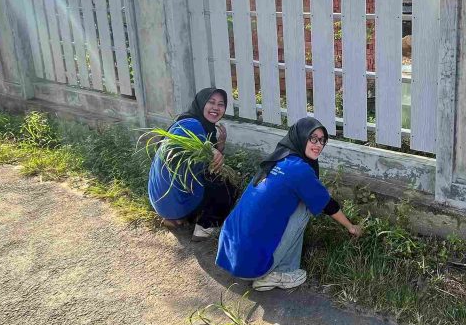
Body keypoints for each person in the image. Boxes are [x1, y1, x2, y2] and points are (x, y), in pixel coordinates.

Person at [216, 117, 363, 291]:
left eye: (322, 140)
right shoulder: (299, 169)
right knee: (307, 203)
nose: (319, 145)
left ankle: (269, 263)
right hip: (251, 266)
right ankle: (281, 273)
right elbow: (326, 204)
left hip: (227, 254)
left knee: (297, 198)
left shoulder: (278, 159)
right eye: (313, 138)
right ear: (301, 136)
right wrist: (351, 227)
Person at [148, 87, 235, 241]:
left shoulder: (191, 123)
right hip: (174, 200)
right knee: (228, 186)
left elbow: (206, 161)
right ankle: (204, 227)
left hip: (160, 201)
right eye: (211, 102)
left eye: (221, 104)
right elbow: (180, 146)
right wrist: (210, 148)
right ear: (201, 103)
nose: (216, 107)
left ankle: (178, 219)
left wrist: (220, 145)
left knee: (210, 174)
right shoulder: (191, 124)